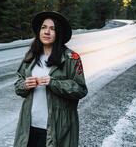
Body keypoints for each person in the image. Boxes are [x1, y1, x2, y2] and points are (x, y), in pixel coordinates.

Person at [13, 11, 88, 147]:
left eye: (52, 29)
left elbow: (81, 89)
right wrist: (25, 85)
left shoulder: (71, 58)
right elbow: (18, 86)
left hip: (57, 128)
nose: (47, 32)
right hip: (29, 127)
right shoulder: (31, 56)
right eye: (43, 27)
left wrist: (53, 83)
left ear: (59, 33)